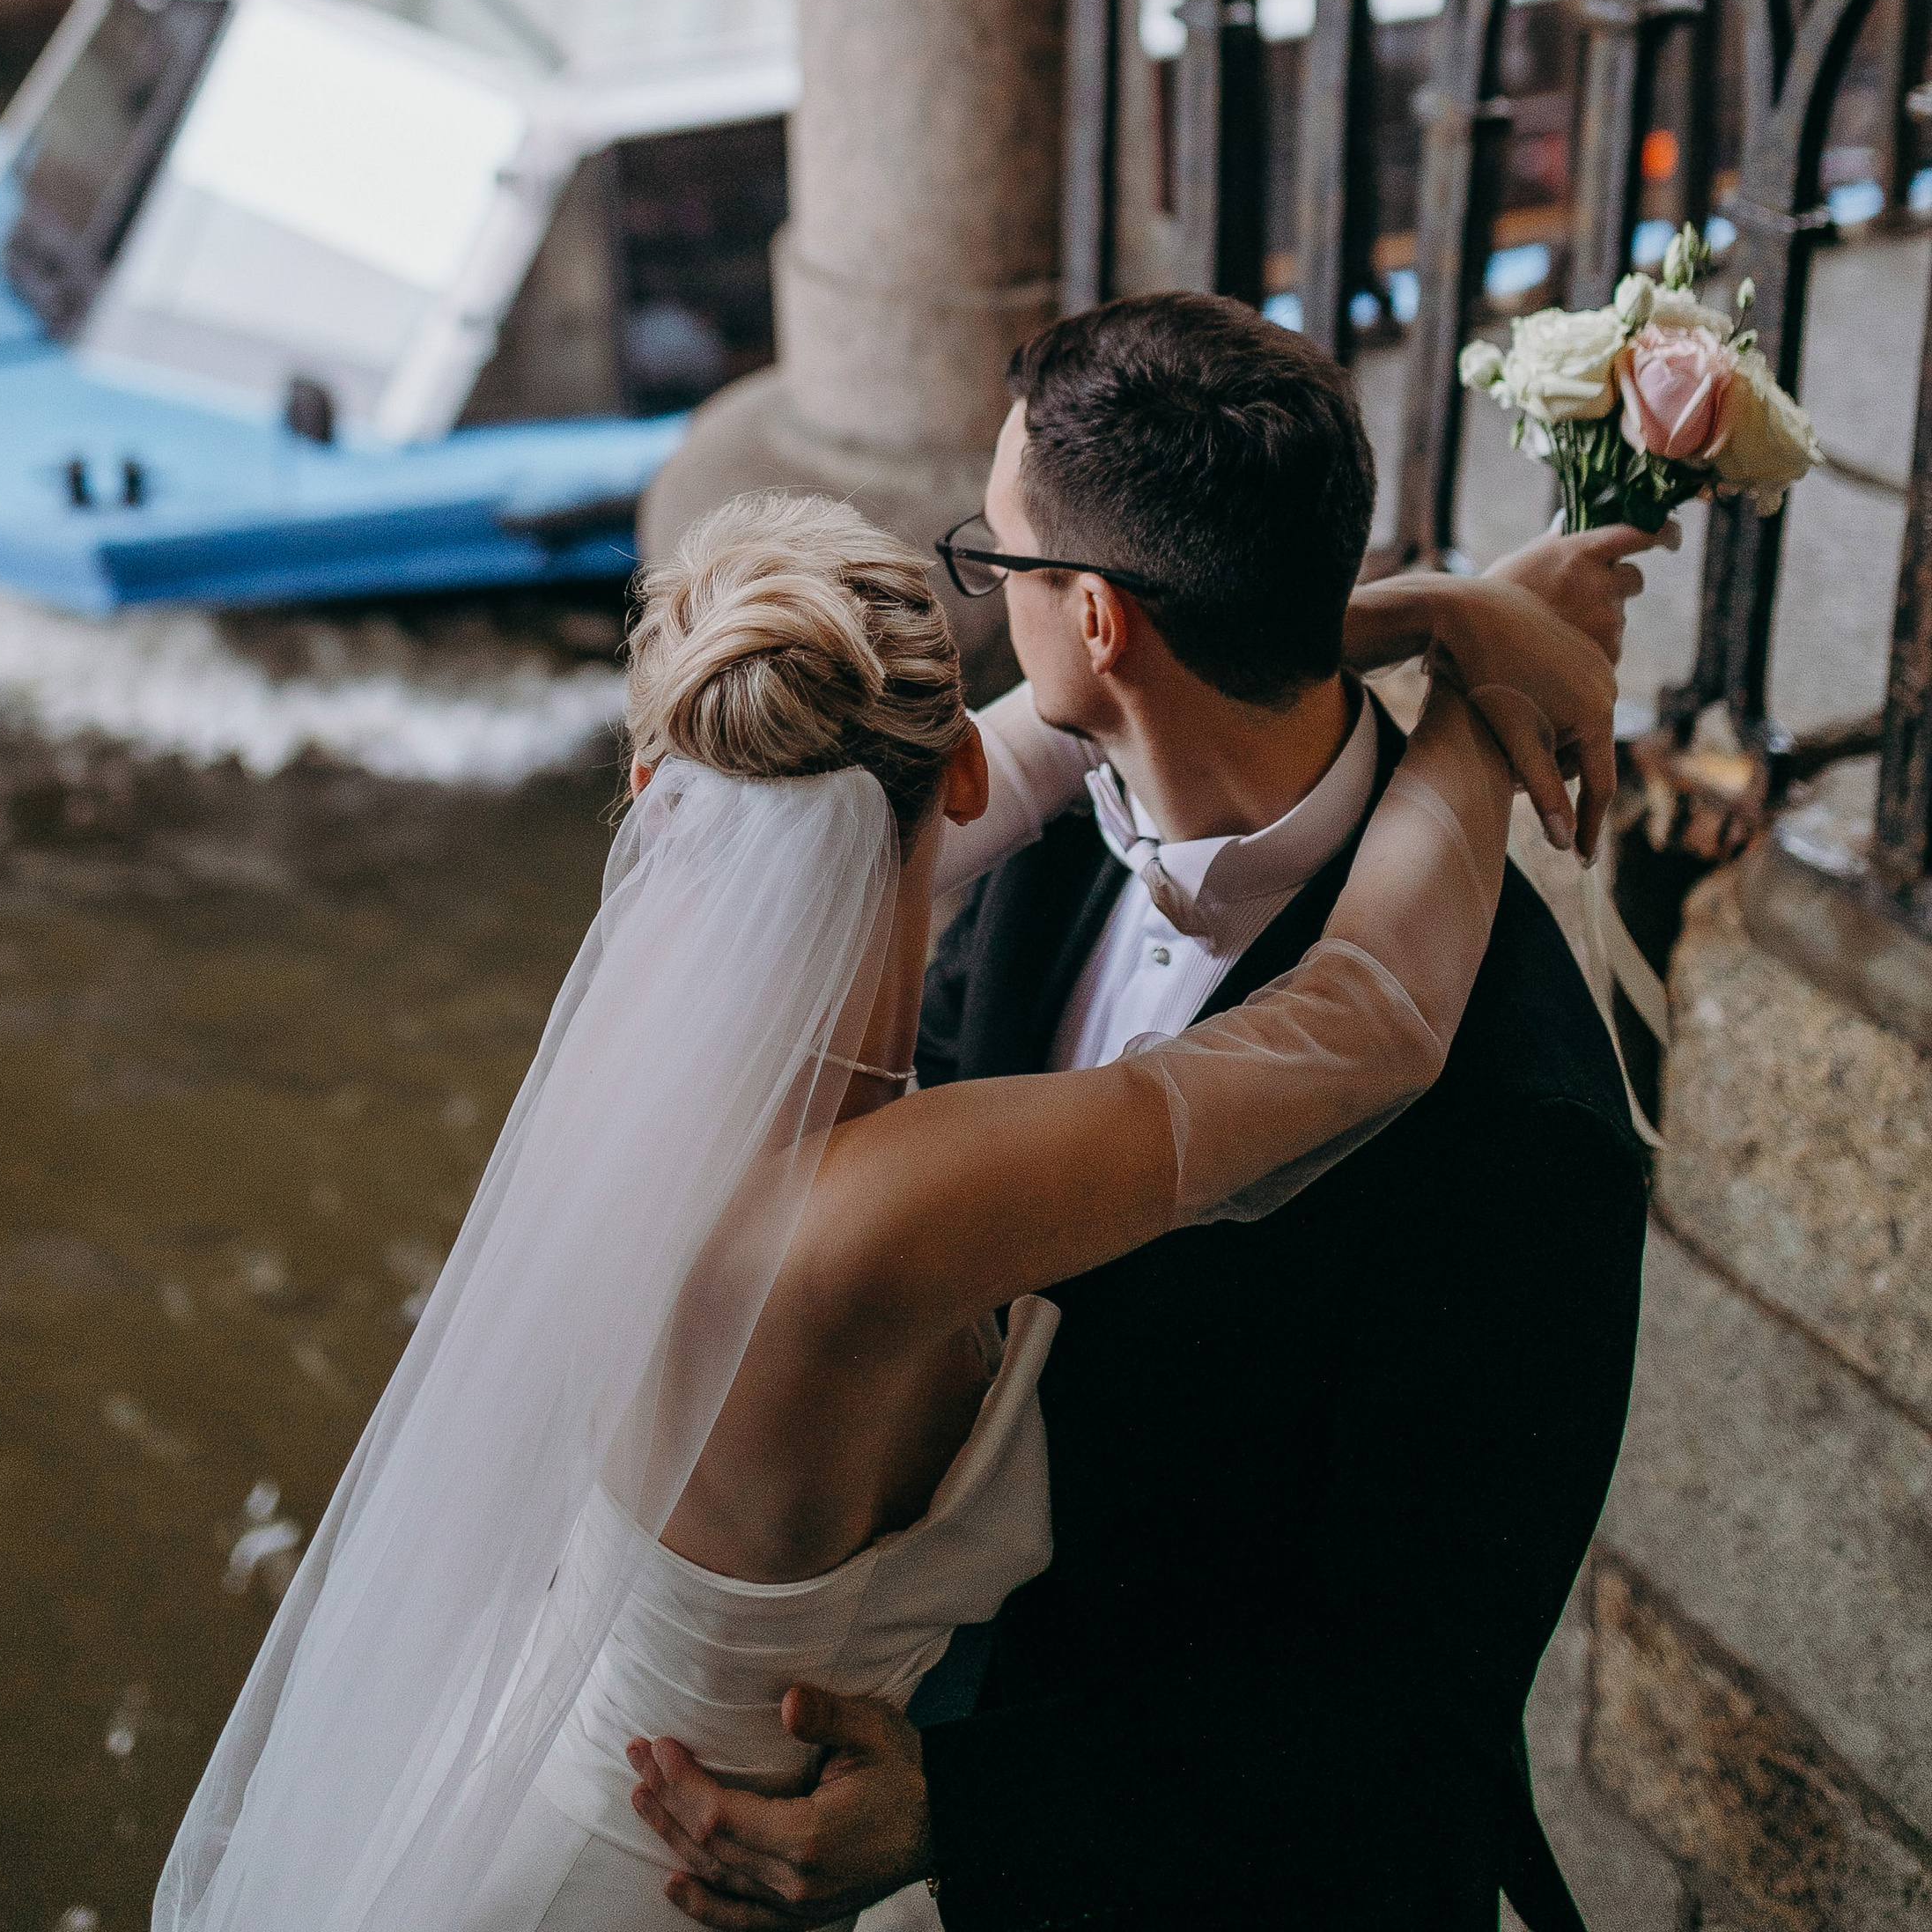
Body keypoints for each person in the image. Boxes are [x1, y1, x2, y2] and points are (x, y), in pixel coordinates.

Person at [155, 460, 1614, 1932]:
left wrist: (1430, 615)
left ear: (660, 801)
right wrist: (1483, 693)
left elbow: (1005, 757)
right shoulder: (877, 1219)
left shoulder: (633, 1054)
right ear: (958, 778)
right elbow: (1365, 1018)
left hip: (520, 1794)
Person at [629, 295, 1655, 1932]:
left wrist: (974, 1812)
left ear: (1093, 623)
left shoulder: (1522, 1127)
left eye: (997, 558)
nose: (990, 600)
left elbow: (1413, 1712)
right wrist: (1460, 632)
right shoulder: (1024, 840)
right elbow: (1355, 1020)